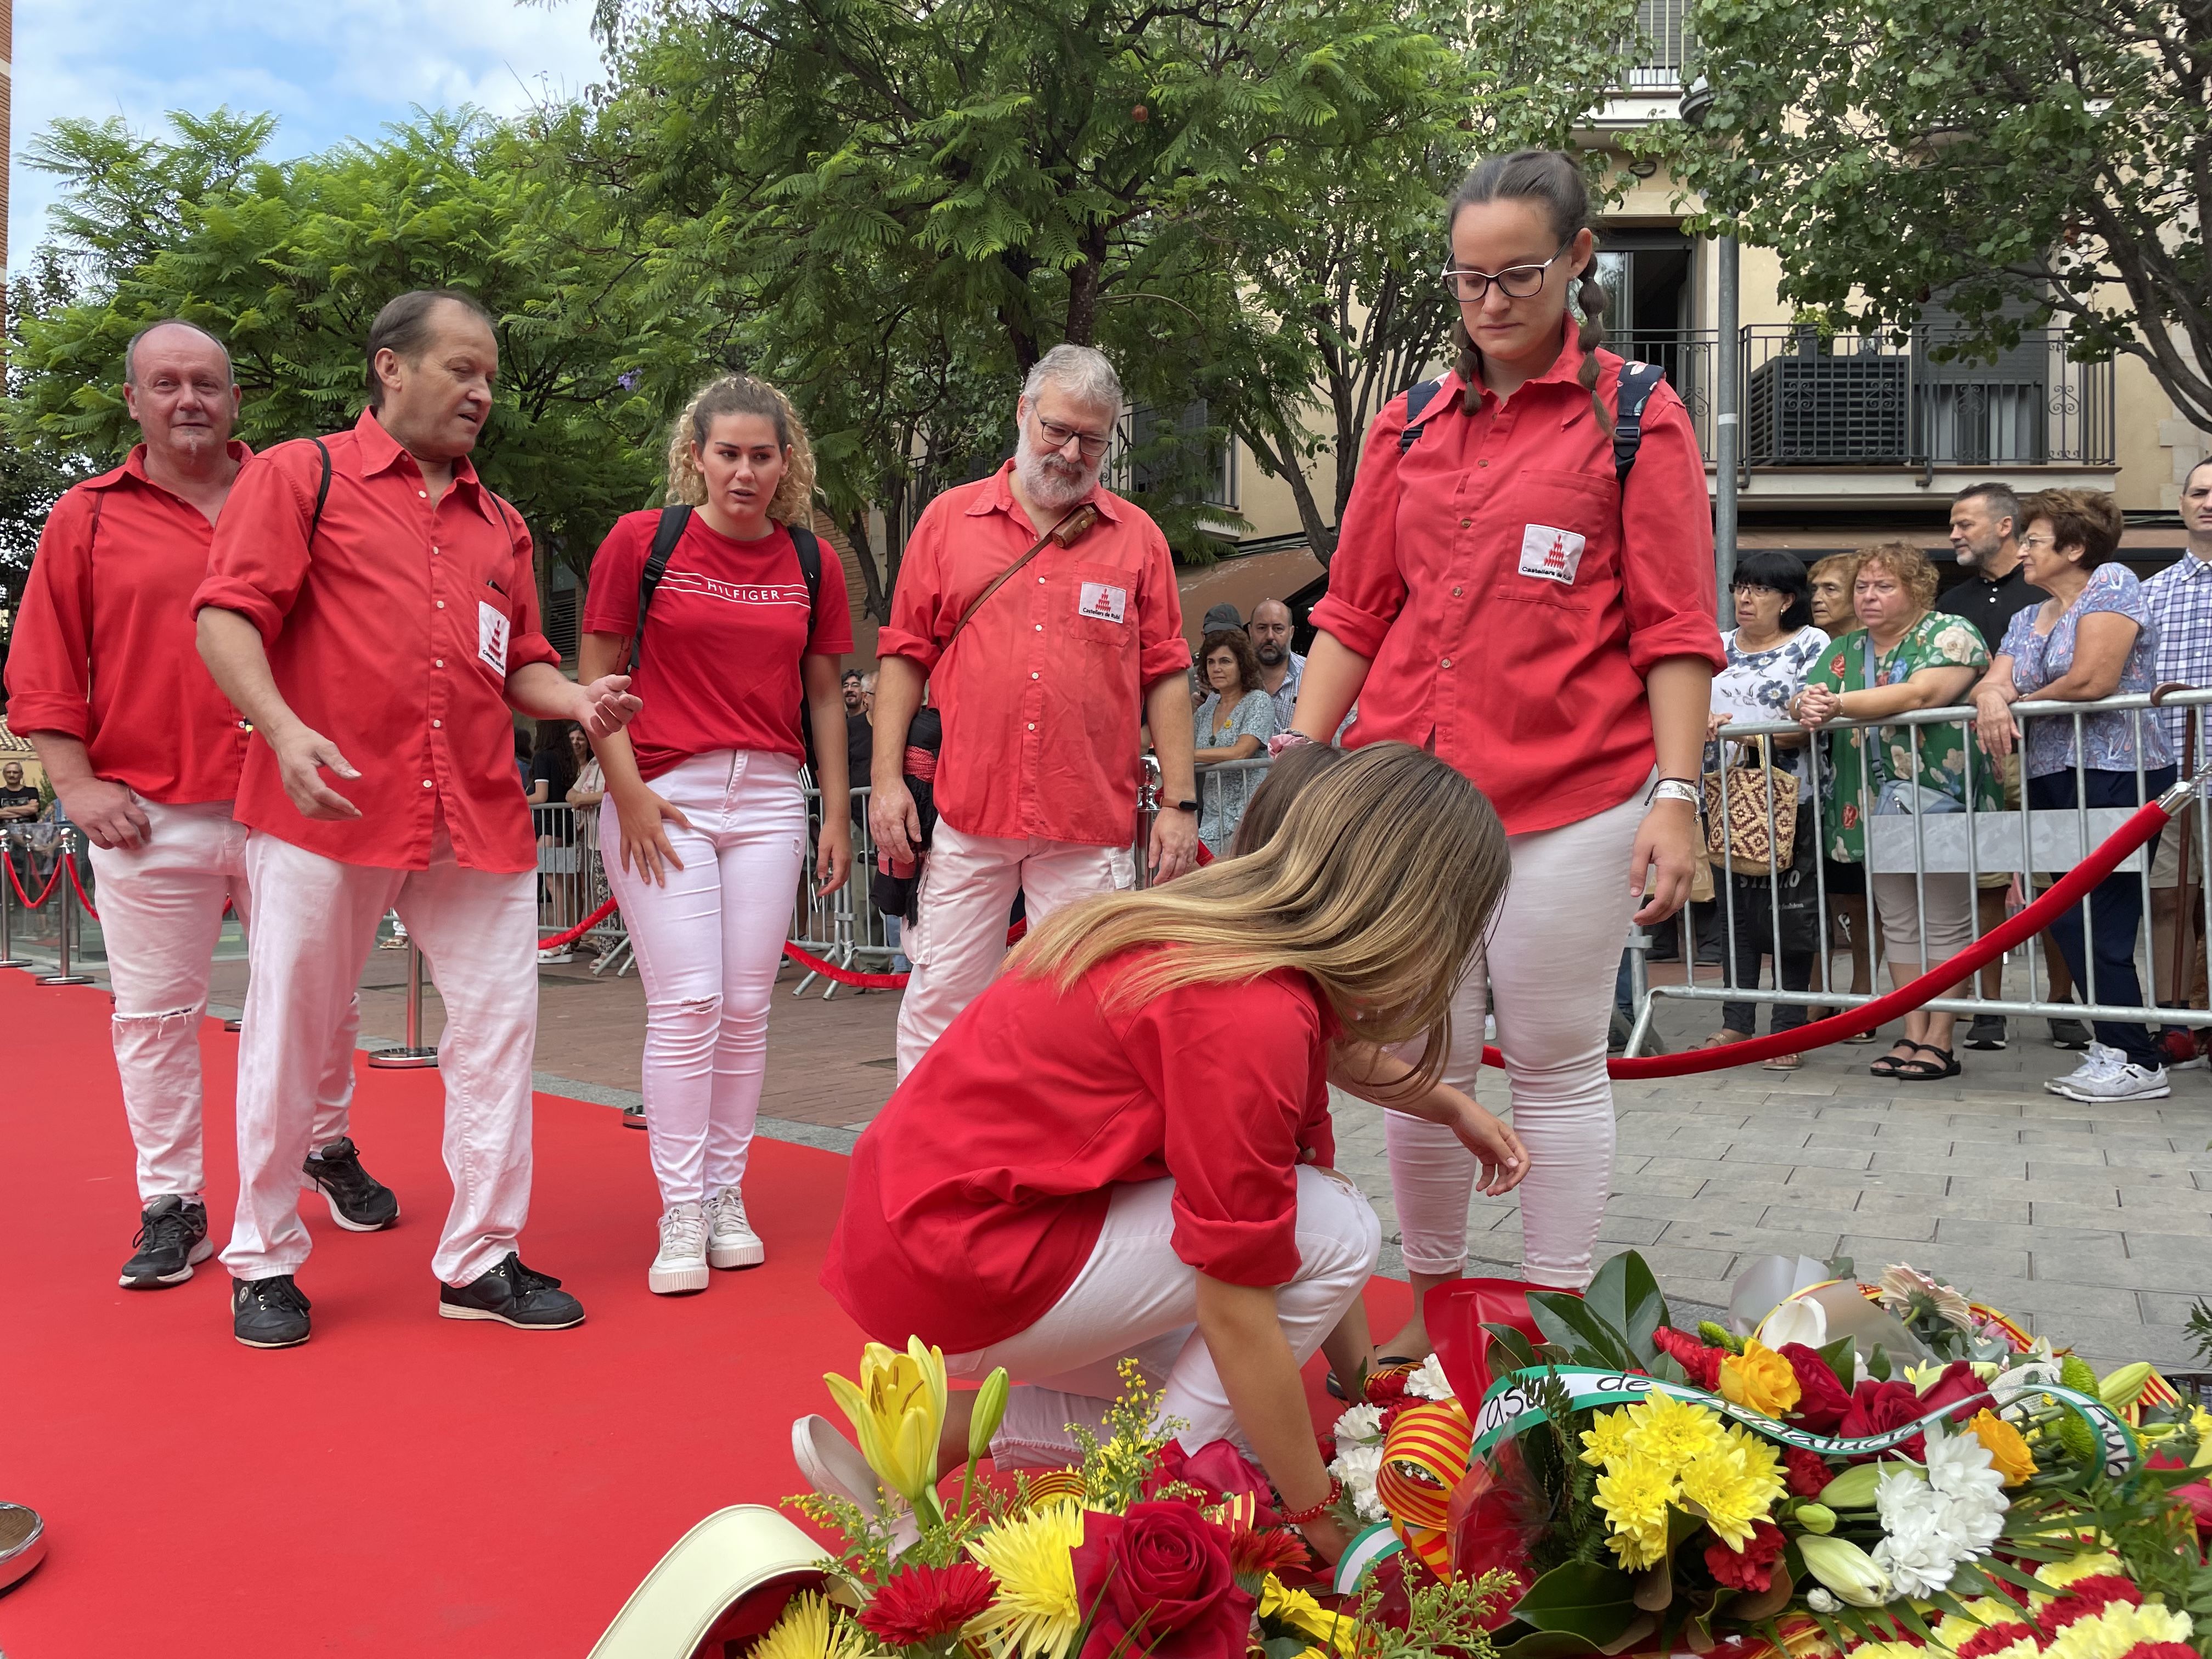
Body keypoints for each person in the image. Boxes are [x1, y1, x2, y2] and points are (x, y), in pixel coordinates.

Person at [814, 746, 1524, 1565]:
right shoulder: (1253, 1015)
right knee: (1327, 1241)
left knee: (1238, 1412)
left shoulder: (1226, 940)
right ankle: (1148, 1498)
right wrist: (1324, 1518)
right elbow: (1248, 1290)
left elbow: (1327, 1079)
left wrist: (1449, 1108)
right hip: (962, 1264)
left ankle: (951, 1431)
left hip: (925, 1240)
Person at [1284, 149, 1719, 1355]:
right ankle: (1435, 1320)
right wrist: (1297, 754)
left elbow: (1676, 627)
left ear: (1582, 260)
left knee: (1555, 1063)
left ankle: (1552, 1331)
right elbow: (1355, 610)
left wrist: (1672, 795)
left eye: (1519, 274)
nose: (1490, 304)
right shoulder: (1407, 423)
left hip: (1568, 800)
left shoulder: (1638, 417)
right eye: (1467, 281)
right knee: (1420, 1059)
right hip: (1410, 808)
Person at [193, 288, 641, 1348]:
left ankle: (481, 1257)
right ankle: (260, 1257)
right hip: (328, 806)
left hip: (474, 815)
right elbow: (226, 616)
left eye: (489, 375)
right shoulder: (301, 476)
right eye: (462, 369)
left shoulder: (502, 523)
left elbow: (520, 657)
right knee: (291, 1034)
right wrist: (284, 728)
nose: (483, 391)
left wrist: (575, 699)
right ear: (390, 368)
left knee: (497, 1035)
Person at [5, 319, 396, 1292]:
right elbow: (44, 667)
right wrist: (79, 784)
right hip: (146, 810)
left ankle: (326, 1143)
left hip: (291, 802)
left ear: (234, 401)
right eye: (167, 383)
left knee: (325, 1002)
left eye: (207, 384)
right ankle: (171, 1202)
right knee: (154, 1015)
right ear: (133, 400)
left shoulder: (302, 496)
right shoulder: (85, 517)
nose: (190, 400)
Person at [577, 374, 853, 1293]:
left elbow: (822, 693)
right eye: (727, 452)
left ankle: (726, 1189)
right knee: (689, 1000)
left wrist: (837, 812)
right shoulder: (640, 541)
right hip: (664, 788)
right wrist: (632, 794)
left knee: (745, 1003)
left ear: (786, 461)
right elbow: (597, 681)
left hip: (772, 793)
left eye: (760, 455)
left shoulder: (814, 561)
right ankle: (682, 1203)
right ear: (695, 456)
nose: (743, 471)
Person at [870, 345, 1198, 1079]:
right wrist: (887, 779)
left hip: (1087, 820)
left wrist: (1180, 802)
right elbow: (903, 654)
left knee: (1085, 1012)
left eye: (1092, 438)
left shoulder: (1139, 538)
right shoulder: (949, 521)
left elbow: (1166, 672)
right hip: (967, 807)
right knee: (942, 1002)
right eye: (1056, 429)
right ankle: (925, 1175)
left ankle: (1063, 1181)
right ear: (1023, 413)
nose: (1071, 452)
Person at [1972, 488, 2176, 1102]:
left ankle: (2138, 1060)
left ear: (2075, 547)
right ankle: (2112, 1044)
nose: (2024, 550)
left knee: (2106, 917)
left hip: (2119, 768)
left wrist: (2017, 706)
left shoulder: (2111, 582)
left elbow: (2094, 676)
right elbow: (1994, 680)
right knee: (2064, 916)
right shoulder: (2023, 616)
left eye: (2033, 540)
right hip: (2050, 774)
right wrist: (1989, 700)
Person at [1797, 542, 1997, 1083]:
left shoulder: (1951, 633)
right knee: (1900, 920)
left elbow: (1923, 696)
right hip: (1866, 804)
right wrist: (1805, 704)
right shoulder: (1843, 649)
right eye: (1862, 586)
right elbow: (1805, 695)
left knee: (1946, 918)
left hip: (1941, 796)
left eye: (1884, 586)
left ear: (1917, 590)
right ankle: (1912, 1031)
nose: (1868, 596)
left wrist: (1835, 704)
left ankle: (1942, 1037)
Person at [1940, 483, 2073, 1052]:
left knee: (2058, 882)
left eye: (1964, 522)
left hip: (2047, 754)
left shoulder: (2049, 591)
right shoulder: (1950, 604)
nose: (1953, 534)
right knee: (1987, 885)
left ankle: (2065, 1005)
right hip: (1978, 758)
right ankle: (1988, 1009)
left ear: (2004, 527)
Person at [1703, 551, 1830, 1070]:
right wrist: (1703, 719)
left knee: (1789, 917)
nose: (1745, 598)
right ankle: (1737, 1022)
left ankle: (1786, 1029)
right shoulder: (1716, 646)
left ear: (1788, 600)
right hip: (1727, 796)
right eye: (1739, 587)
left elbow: (1811, 717)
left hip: (1791, 796)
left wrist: (1744, 732)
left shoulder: (1811, 643)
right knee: (1734, 915)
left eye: (1758, 589)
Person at [2145, 458, 2212, 1059]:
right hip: (2177, 775)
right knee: (2170, 896)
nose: (2208, 502)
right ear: (2183, 503)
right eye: (2199, 492)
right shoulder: (2152, 592)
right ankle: (2172, 1018)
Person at [1802, 554, 1877, 1030]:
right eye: (1814, 588)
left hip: (1864, 786)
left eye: (1831, 588)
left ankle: (1865, 993)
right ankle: (1817, 995)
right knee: (1816, 897)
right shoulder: (1818, 647)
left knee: (1861, 898)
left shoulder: (1870, 647)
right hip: (1818, 786)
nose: (1817, 598)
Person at [1192, 627, 1278, 855]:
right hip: (1211, 816)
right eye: (1211, 662)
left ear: (1242, 665)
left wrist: (1185, 757)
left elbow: (1241, 752)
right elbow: (1182, 746)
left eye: (1225, 661)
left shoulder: (1258, 701)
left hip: (1247, 818)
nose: (1217, 668)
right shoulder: (1206, 709)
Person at [1249, 598, 1304, 730]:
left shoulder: (1313, 676)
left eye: (1278, 628)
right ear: (1250, 631)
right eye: (1262, 628)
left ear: (1291, 633)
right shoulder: (1234, 677)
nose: (1269, 636)